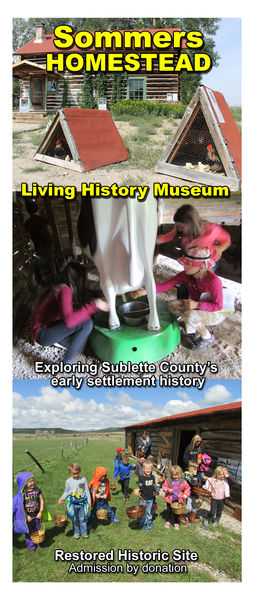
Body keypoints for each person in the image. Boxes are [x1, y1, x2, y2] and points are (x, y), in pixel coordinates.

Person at [132, 246, 226, 351]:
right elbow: (166, 285)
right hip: (197, 305)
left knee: (189, 316)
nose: (184, 265)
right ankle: (193, 328)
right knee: (173, 305)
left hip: (215, 312)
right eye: (185, 262)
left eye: (188, 264)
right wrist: (145, 291)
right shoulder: (186, 275)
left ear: (200, 267)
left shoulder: (213, 281)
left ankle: (208, 337)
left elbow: (219, 306)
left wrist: (198, 305)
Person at [32, 261, 109, 364]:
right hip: (42, 333)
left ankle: (60, 342)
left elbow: (90, 293)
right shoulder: (64, 290)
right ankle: (67, 364)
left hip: (51, 325)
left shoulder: (66, 285)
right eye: (84, 279)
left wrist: (110, 293)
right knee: (86, 323)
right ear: (79, 279)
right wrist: (95, 305)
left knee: (80, 342)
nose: (85, 282)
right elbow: (69, 321)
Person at [156, 204, 231, 267]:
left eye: (181, 227)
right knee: (190, 278)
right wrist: (153, 240)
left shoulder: (211, 229)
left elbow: (226, 239)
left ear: (192, 224)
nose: (178, 229)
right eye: (177, 226)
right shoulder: (180, 229)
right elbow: (167, 237)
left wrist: (220, 248)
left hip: (207, 263)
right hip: (191, 260)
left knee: (204, 281)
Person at [13, 472, 50, 552]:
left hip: (37, 514)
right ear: (24, 483)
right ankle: (31, 545)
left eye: (33, 480)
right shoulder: (23, 494)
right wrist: (27, 516)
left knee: (37, 528)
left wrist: (40, 512)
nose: (32, 483)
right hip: (28, 516)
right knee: (29, 531)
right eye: (30, 482)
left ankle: (39, 542)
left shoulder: (37, 490)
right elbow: (22, 507)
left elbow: (41, 500)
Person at [24, 199, 55, 285]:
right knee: (51, 263)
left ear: (28, 211)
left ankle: (46, 282)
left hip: (38, 247)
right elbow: (50, 231)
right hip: (47, 244)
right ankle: (54, 281)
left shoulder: (28, 223)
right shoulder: (43, 219)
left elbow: (28, 236)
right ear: (37, 209)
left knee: (42, 265)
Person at [58, 462, 91, 539]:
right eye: (73, 474)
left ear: (80, 471)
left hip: (82, 503)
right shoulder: (68, 481)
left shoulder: (83, 480)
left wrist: (89, 500)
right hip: (73, 504)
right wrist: (62, 498)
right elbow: (66, 491)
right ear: (70, 473)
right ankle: (76, 532)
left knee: (82, 519)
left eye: (77, 473)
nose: (75, 475)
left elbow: (86, 491)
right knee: (75, 519)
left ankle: (84, 532)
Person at [162, 465, 190, 530]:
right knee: (168, 511)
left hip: (178, 499)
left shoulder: (183, 481)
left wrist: (185, 494)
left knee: (176, 512)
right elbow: (164, 486)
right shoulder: (169, 480)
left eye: (178, 475)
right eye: (174, 475)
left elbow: (187, 488)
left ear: (181, 474)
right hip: (170, 499)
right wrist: (168, 490)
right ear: (171, 474)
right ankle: (168, 521)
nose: (176, 477)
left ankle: (176, 523)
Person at [134, 461, 158, 530]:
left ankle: (148, 522)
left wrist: (155, 491)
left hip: (151, 498)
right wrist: (138, 489)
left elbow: (153, 486)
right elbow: (140, 486)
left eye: (149, 468)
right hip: (143, 498)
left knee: (149, 511)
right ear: (143, 469)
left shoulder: (153, 477)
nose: (148, 470)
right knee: (143, 512)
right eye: (146, 468)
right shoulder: (141, 478)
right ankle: (142, 524)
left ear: (151, 469)